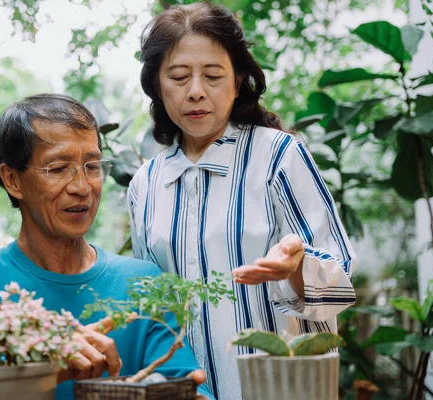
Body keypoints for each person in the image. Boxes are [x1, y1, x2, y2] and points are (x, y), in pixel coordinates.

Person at [0, 94, 213, 400]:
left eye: (92, 166)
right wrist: (40, 364)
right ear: (12, 180)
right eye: (58, 169)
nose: (82, 187)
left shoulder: (142, 283)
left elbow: (184, 381)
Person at [128, 3, 357, 400]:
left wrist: (296, 268)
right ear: (157, 87)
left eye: (213, 76)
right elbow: (153, 308)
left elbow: (341, 276)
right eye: (179, 77)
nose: (196, 90)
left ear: (237, 82)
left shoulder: (279, 156)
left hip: (282, 391)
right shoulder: (146, 184)